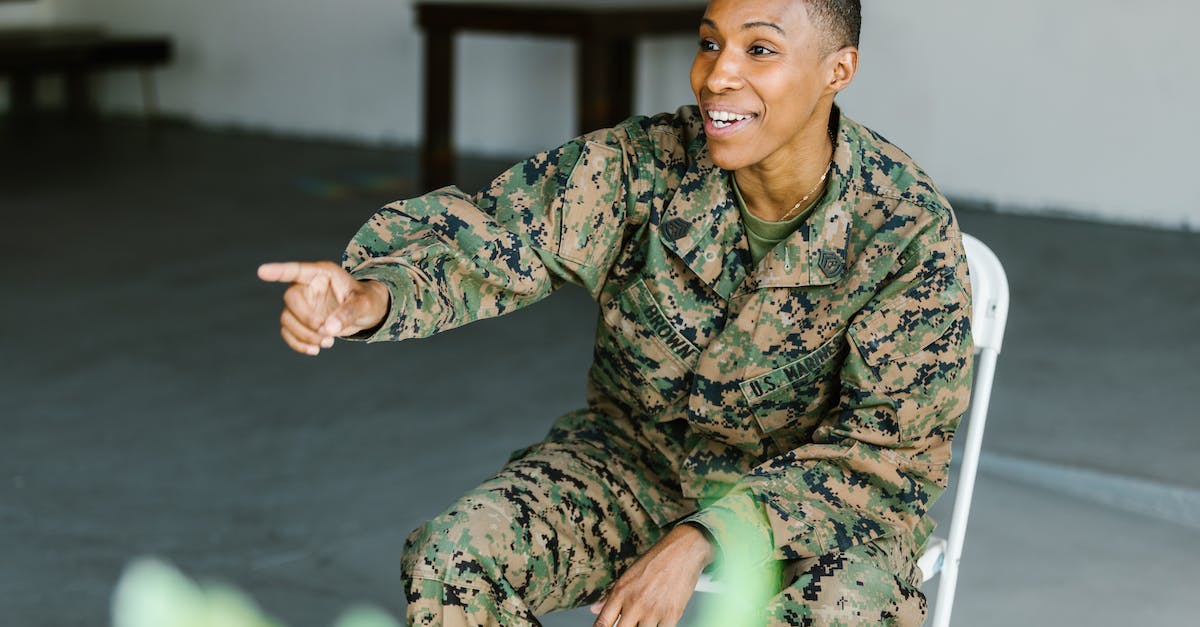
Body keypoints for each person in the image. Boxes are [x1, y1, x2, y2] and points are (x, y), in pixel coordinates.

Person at [258, 0, 973, 625]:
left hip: (814, 513)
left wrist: (705, 537)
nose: (718, 75)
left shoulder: (904, 227)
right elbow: (500, 234)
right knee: (454, 557)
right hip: (638, 467)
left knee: (850, 608)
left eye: (760, 50)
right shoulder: (644, 165)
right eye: (710, 42)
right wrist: (372, 295)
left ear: (837, 70)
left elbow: (884, 455)